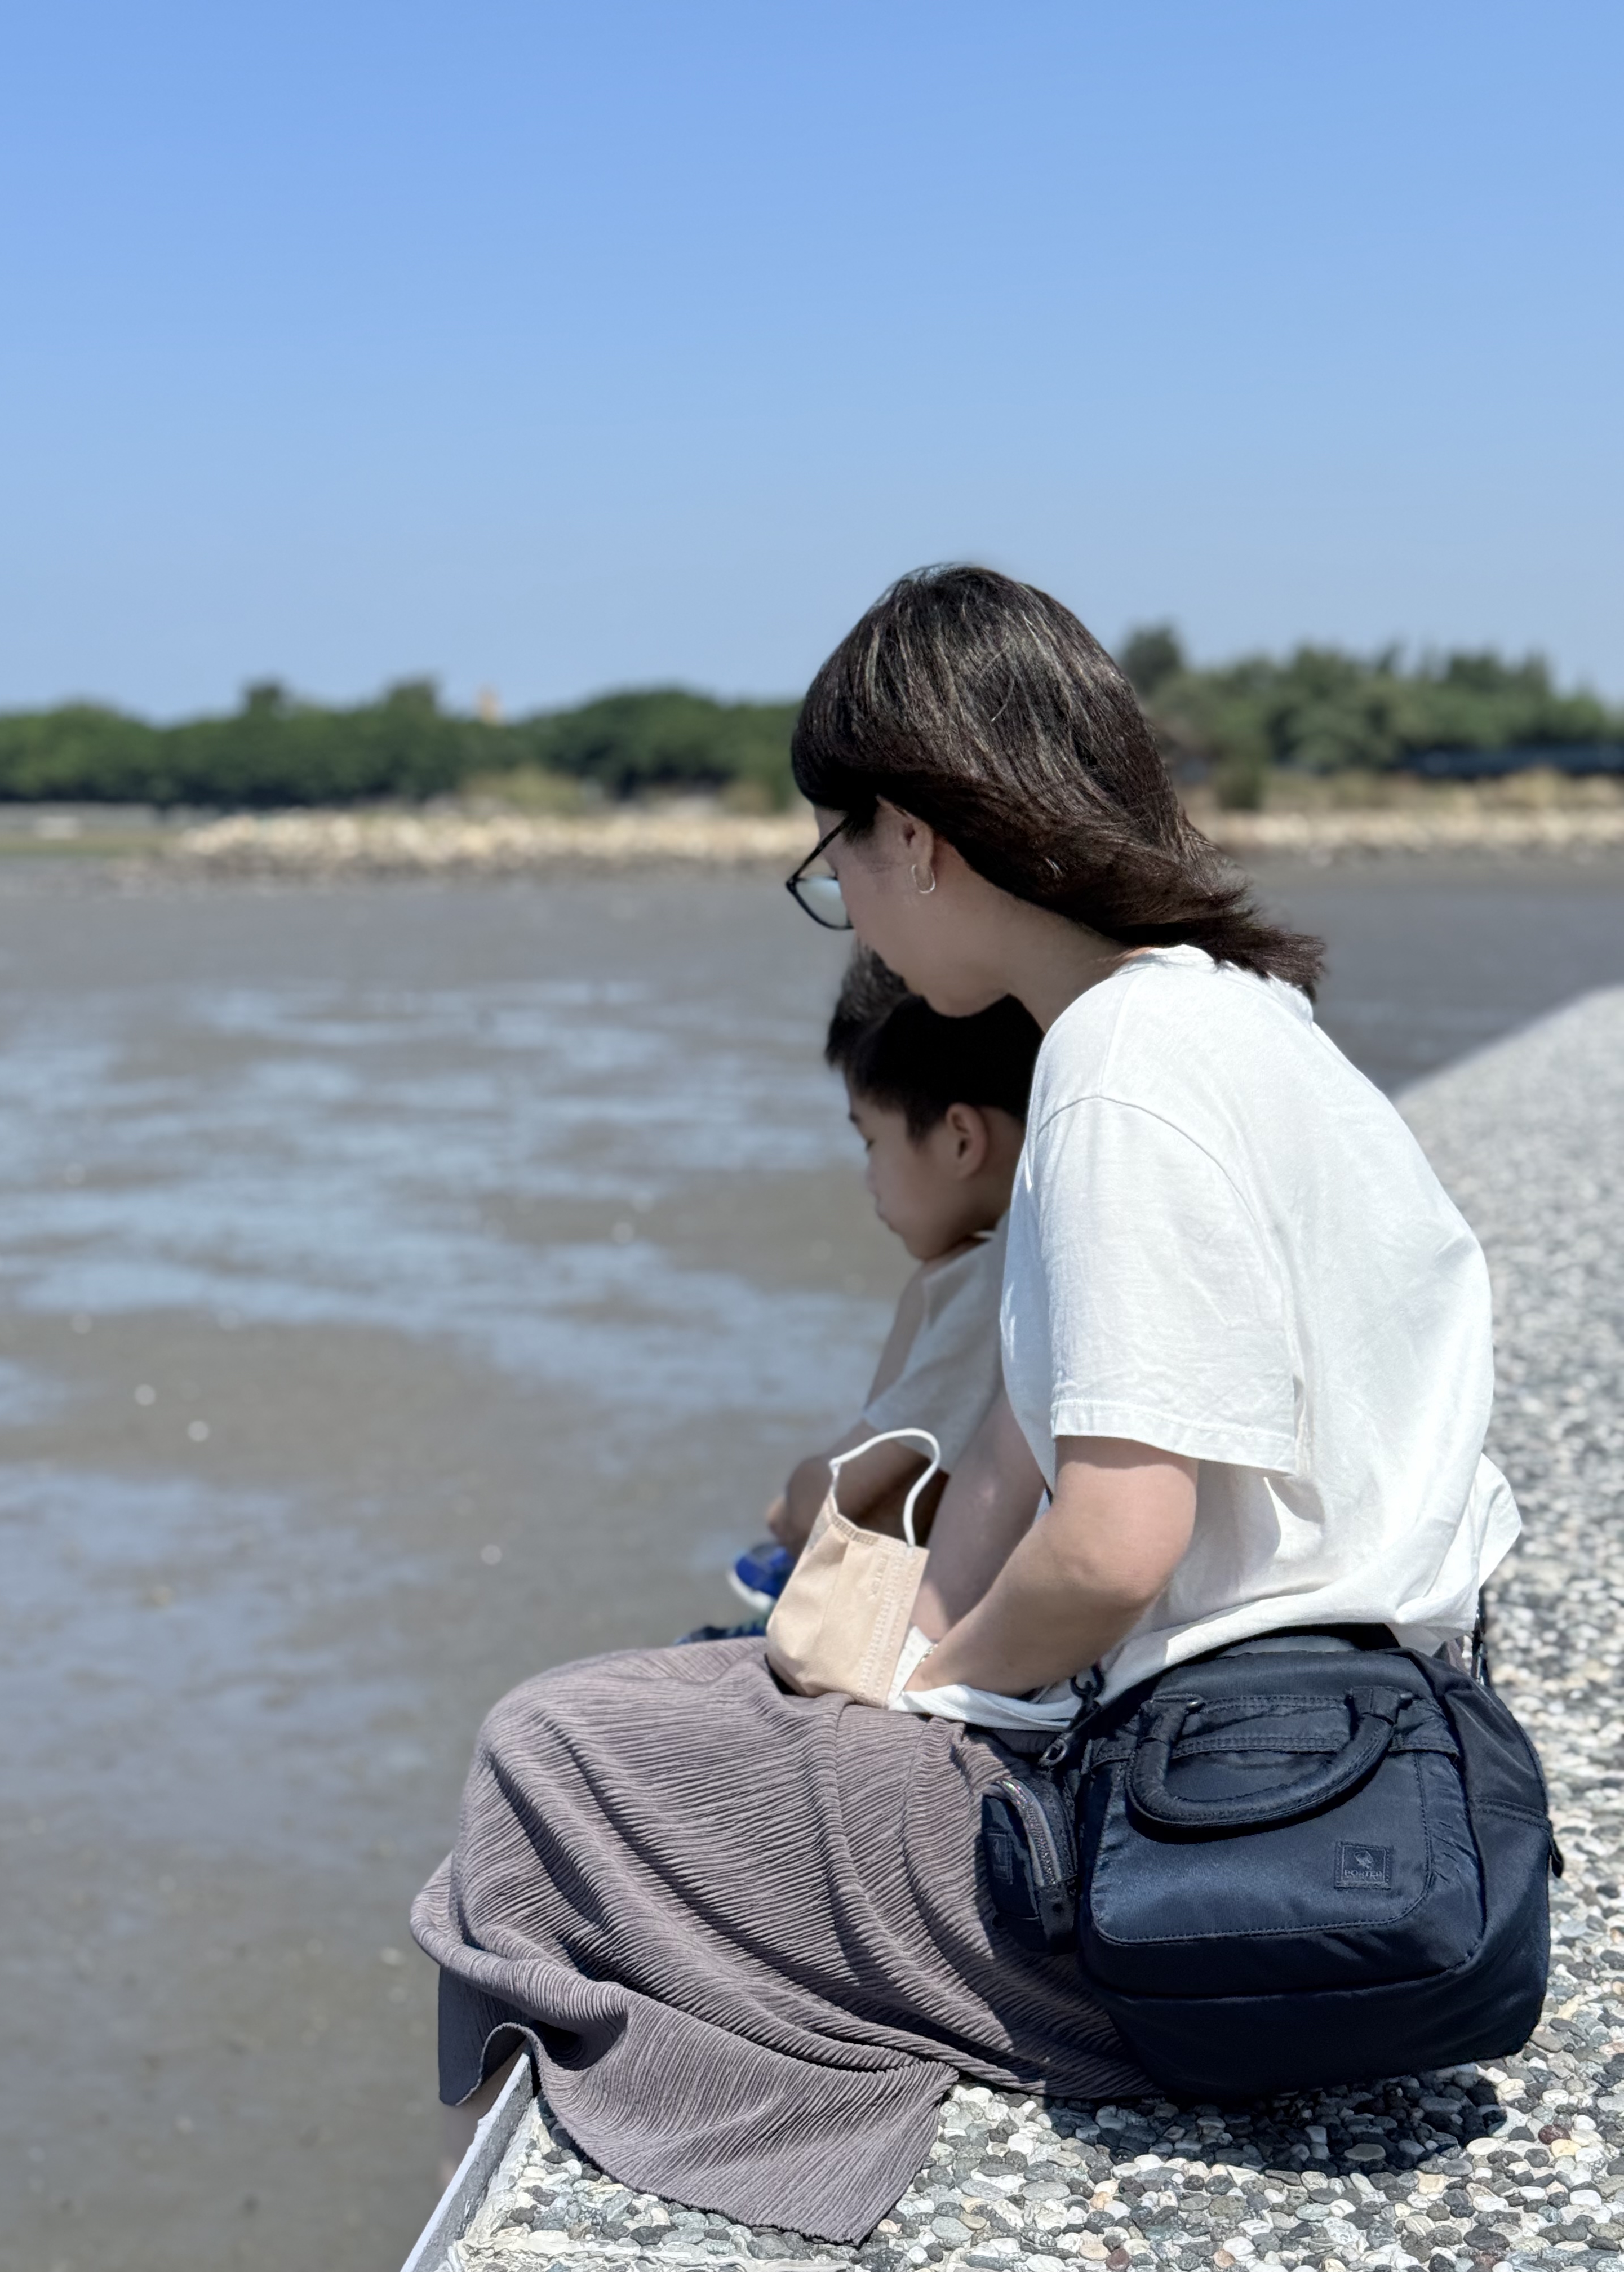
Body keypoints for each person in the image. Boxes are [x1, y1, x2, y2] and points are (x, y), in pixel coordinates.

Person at [414, 566, 1517, 2244]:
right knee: (687, 1713)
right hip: (1373, 1763)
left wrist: (925, 1684)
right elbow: (1044, 1463)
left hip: (1199, 1832)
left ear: (915, 833)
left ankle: (674, 2160)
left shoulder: (1116, 1066)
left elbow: (1118, 1539)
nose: (845, 901)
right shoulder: (1246, 1020)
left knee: (545, 1756)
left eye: (835, 855)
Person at [698, 951, 1041, 1635]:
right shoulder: (1044, 1243)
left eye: (870, 1140)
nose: (870, 1178)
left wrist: (789, 1503)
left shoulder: (988, 1276)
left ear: (961, 1138)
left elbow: (840, 1492)